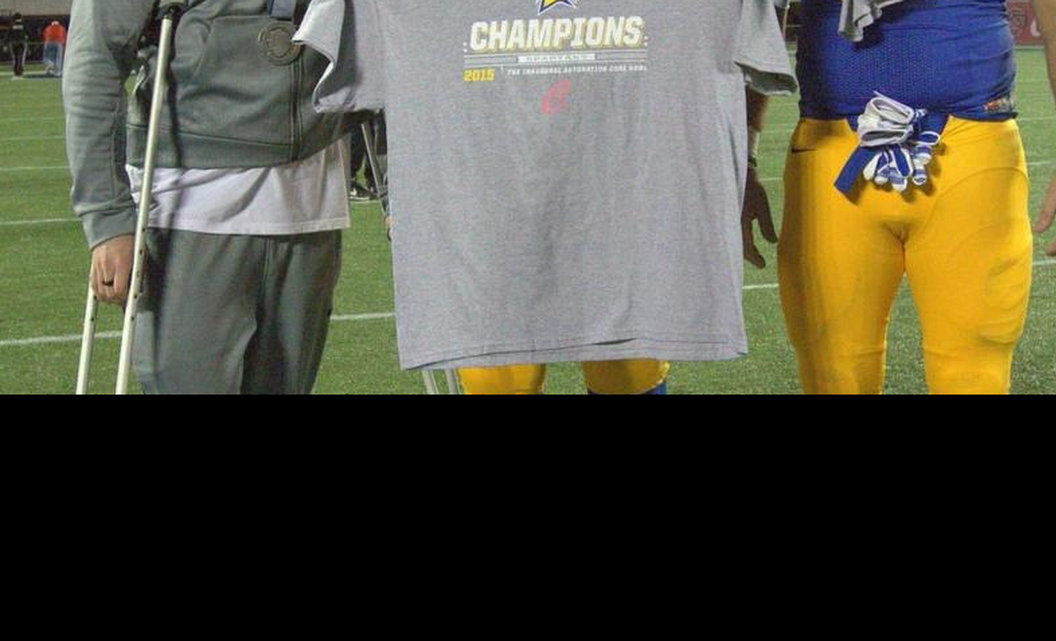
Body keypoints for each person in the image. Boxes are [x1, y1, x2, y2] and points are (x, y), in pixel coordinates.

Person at [297, 0, 797, 395]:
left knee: (628, 372)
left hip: (625, 221)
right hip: (491, 223)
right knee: (499, 379)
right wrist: (400, 196)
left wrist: (746, 164)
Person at [765, 0, 1056, 394]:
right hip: (830, 154)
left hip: (969, 147)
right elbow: (755, 22)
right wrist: (746, 158)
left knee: (974, 376)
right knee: (832, 372)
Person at [65, 0, 359, 394]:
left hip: (312, 203)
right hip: (189, 209)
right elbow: (94, 60)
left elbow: (387, 44)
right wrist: (106, 218)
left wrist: (398, 192)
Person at [6, 12, 28, 80]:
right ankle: (20, 73)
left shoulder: (12, 25)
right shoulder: (24, 24)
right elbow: (29, 33)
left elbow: (8, 35)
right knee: (21, 58)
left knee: (15, 58)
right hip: (22, 42)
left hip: (13, 43)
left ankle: (15, 73)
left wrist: (5, 43)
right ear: (21, 18)